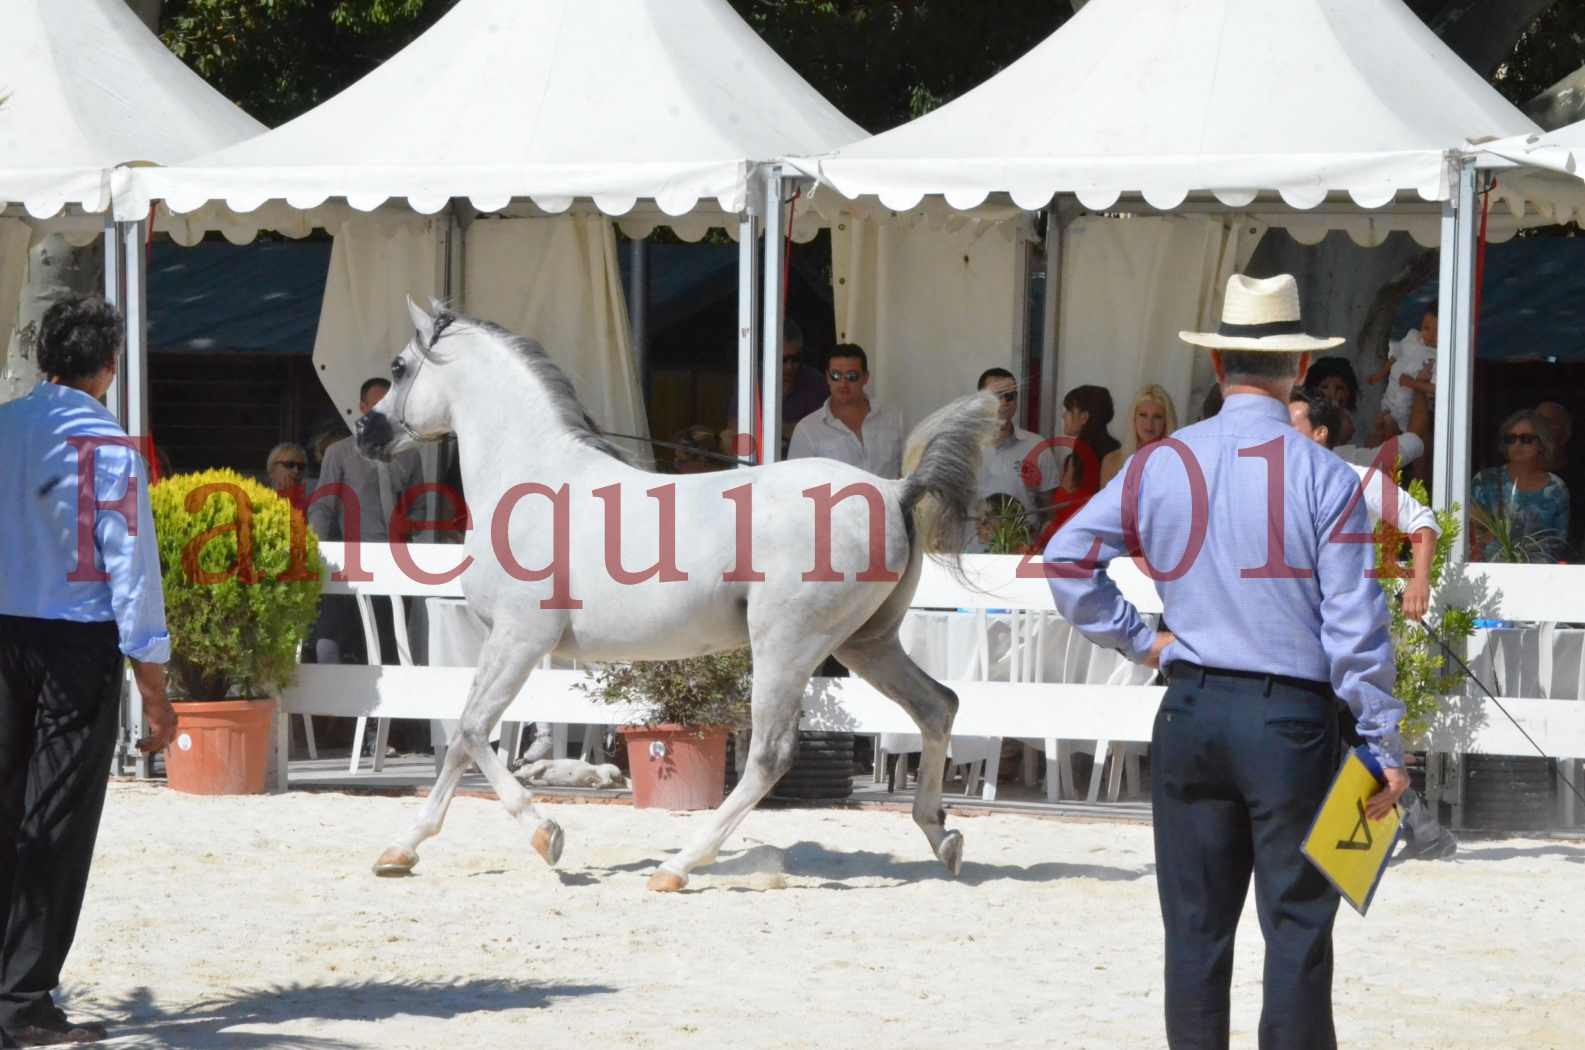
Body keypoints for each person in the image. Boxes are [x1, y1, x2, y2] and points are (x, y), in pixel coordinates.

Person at [1046, 274, 1406, 1049]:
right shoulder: (1325, 476)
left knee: (1195, 933)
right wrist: (1381, 739)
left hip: (1191, 704)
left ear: (1215, 366)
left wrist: (1142, 639)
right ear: (1298, 371)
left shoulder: (1157, 462)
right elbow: (1353, 624)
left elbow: (1066, 559)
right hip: (1289, 721)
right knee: (1297, 928)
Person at [0, 297, 179, 1046]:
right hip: (77, 641)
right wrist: (156, 689)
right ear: (109, 367)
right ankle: (24, 998)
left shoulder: (5, 426)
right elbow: (129, 571)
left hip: (4, 631)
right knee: (58, 816)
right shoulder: (109, 448)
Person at [1289, 390, 1458, 862]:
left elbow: (1421, 521)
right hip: (1301, 624)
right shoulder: (1272, 485)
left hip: (1347, 624)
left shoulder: (1357, 478)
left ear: (1320, 435)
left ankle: (1410, 825)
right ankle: (1417, 827)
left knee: (1355, 724)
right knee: (1345, 727)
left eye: (1294, 424)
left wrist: (1418, 581)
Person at [786, 344, 903, 478]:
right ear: (827, 377)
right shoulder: (807, 430)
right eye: (836, 375)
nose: (843, 384)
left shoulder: (893, 418)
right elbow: (796, 485)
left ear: (866, 377)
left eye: (852, 376)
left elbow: (910, 473)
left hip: (889, 499)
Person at [1469, 409, 1571, 563]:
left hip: (1540, 575)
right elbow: (1473, 534)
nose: (1517, 444)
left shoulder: (1556, 488)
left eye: (1526, 439)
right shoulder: (1485, 481)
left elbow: (1558, 544)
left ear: (1542, 444)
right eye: (1511, 439)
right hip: (1487, 573)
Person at [973, 368, 1061, 526]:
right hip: (972, 547)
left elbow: (1050, 510)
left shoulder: (1037, 446)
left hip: (1022, 547)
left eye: (1009, 396)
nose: (1004, 403)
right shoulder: (964, 448)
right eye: (996, 396)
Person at [1043, 384, 1118, 536]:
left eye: (1069, 411)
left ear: (1084, 417)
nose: (1064, 416)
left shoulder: (1111, 459)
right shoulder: (1074, 459)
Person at [1366, 307, 1436, 440]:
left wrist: (1412, 383)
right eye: (1426, 328)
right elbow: (1395, 356)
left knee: (1395, 436)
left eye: (1438, 331)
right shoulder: (1412, 337)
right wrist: (1380, 375)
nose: (1431, 335)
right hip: (1390, 397)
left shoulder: (1441, 356)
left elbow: (1436, 388)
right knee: (1379, 429)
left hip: (1408, 409)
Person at [1100, 384, 1178, 486]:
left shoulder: (1176, 464)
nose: (1149, 424)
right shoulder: (1111, 461)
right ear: (1133, 417)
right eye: (1143, 415)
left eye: (1157, 417)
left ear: (1166, 421)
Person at [1303, 355, 1361, 447]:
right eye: (1324, 387)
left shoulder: (1348, 422)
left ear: (1349, 392)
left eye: (1339, 388)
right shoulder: (1304, 418)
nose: (1332, 394)